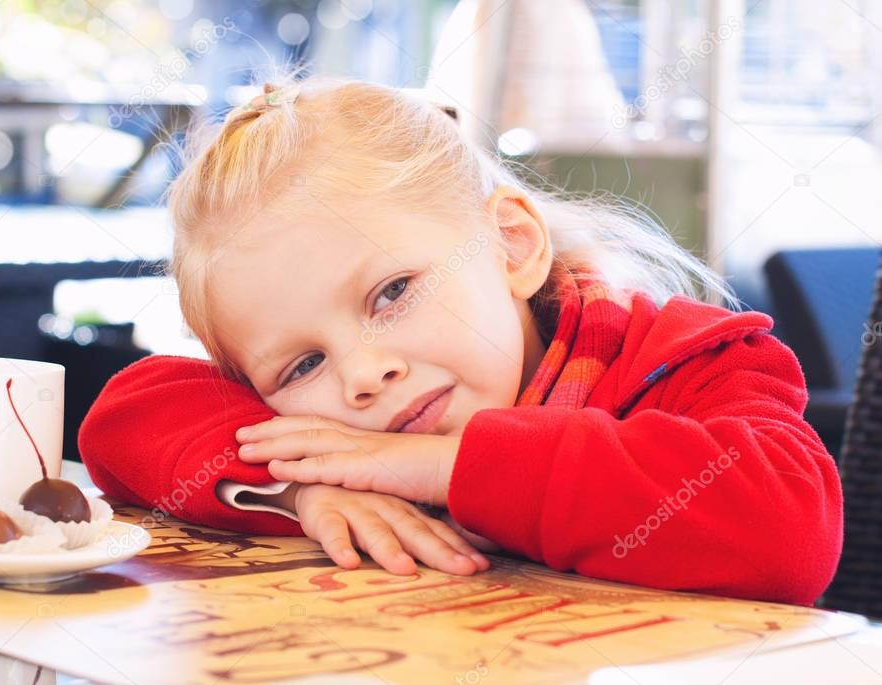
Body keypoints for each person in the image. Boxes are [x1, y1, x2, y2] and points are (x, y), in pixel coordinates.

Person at [79, 77, 842, 605]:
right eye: (303, 362)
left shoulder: (694, 362)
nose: (362, 375)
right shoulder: (338, 433)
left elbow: (791, 534)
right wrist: (305, 488)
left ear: (510, 245)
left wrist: (451, 465)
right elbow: (128, 414)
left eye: (391, 293)